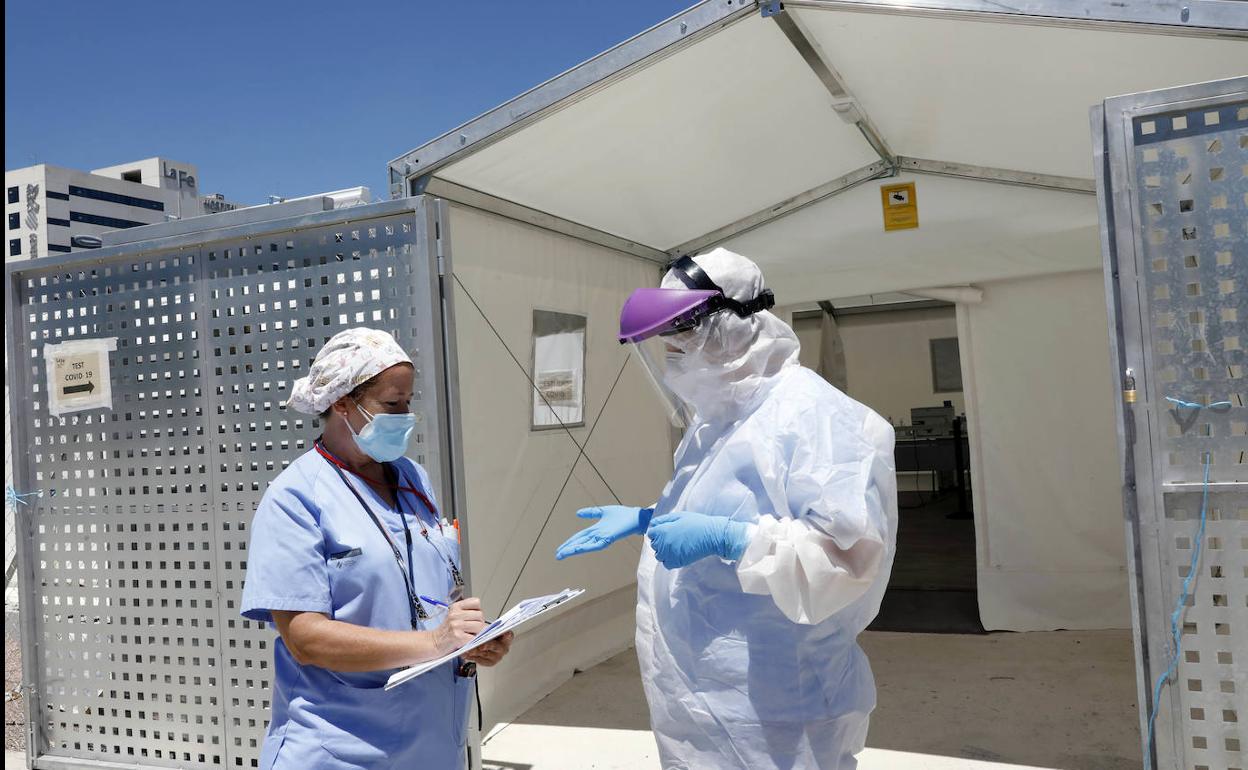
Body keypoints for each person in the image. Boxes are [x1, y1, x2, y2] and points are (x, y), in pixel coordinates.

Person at [556, 248, 897, 769]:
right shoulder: (718, 420)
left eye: (686, 334)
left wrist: (730, 539)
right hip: (702, 700)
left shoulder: (817, 417)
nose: (674, 352)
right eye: (668, 338)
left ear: (744, 322)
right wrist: (649, 519)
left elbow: (844, 564)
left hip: (781, 706)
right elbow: (728, 503)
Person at [241, 328, 512, 769]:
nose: (406, 415)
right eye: (392, 404)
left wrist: (471, 639)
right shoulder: (295, 497)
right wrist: (433, 641)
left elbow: (432, 593)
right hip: (340, 746)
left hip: (430, 739)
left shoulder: (412, 480)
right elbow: (304, 639)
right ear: (342, 403)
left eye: (408, 401)